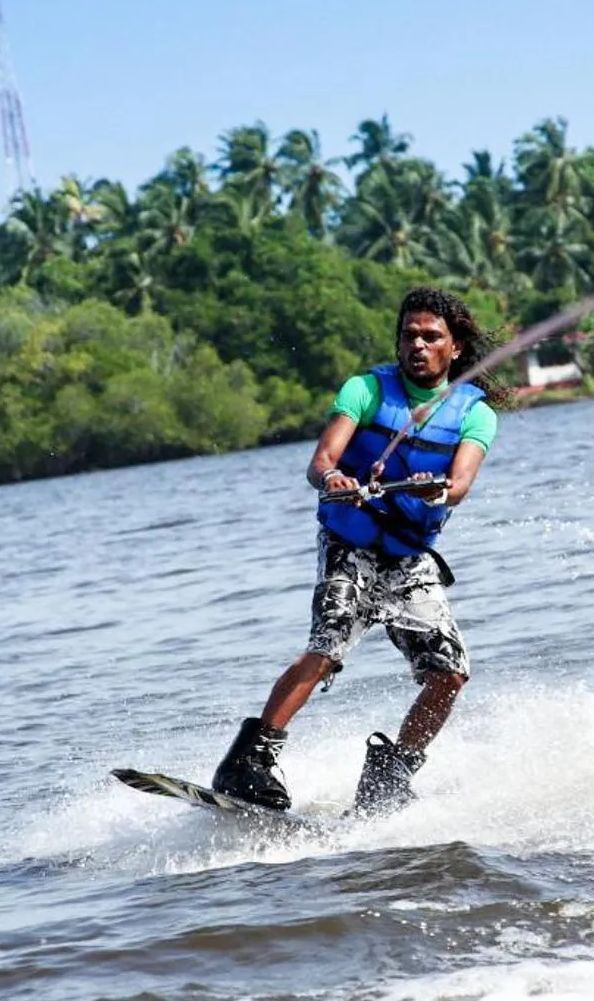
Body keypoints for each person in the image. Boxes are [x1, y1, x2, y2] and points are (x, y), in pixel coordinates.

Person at [212, 287, 506, 814]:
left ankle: (390, 773)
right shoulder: (366, 389)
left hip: (409, 555)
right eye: (409, 335)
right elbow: (320, 460)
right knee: (329, 643)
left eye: (430, 336)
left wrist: (434, 488)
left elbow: (459, 485)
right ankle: (249, 761)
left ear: (455, 348)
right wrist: (334, 477)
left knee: (450, 672)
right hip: (351, 541)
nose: (417, 345)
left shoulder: (474, 414)